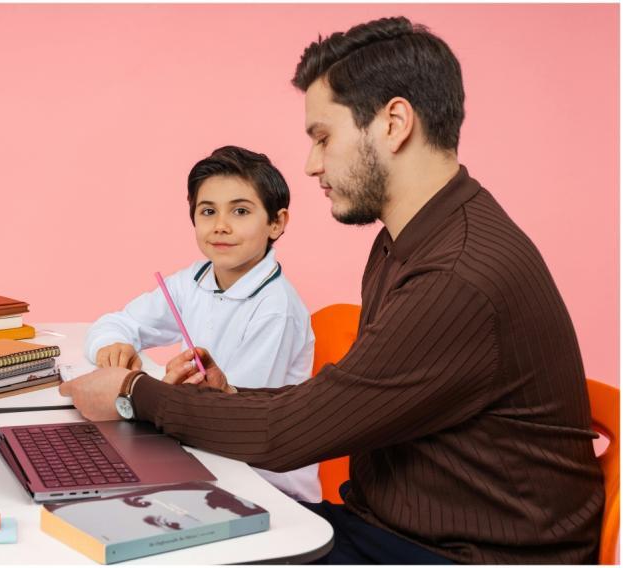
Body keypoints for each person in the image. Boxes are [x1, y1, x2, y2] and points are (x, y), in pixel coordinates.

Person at [62, 16, 604, 564]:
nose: (311, 164)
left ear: (394, 123)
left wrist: (133, 392)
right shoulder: (409, 241)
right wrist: (229, 399)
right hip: (387, 527)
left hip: (455, 554)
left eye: (323, 137)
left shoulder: (456, 274)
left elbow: (289, 434)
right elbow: (338, 403)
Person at [84, 145, 320, 503]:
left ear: (276, 222)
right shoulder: (192, 280)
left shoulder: (276, 309)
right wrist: (112, 346)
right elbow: (118, 322)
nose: (220, 226)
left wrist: (157, 393)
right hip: (201, 457)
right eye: (208, 211)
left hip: (268, 490)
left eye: (240, 211)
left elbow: (232, 421)